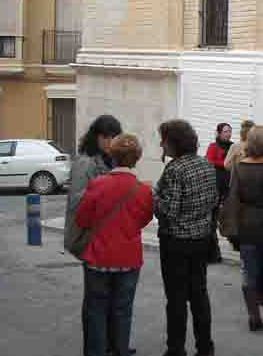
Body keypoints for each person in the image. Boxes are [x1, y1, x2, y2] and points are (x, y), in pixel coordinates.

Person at [75, 134, 153, 356]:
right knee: (122, 310)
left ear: (113, 156)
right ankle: (120, 349)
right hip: (128, 259)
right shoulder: (144, 190)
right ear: (136, 159)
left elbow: (82, 219)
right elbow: (144, 219)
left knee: (95, 310)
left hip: (98, 257)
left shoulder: (98, 184)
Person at [154, 119, 220, 356]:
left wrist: (154, 198)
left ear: (173, 142)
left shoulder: (175, 169)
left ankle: (176, 349)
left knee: (177, 298)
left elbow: (168, 211)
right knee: (199, 294)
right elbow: (213, 202)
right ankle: (205, 347)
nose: (161, 143)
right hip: (201, 239)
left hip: (176, 241)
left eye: (163, 139)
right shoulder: (206, 165)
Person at [65, 115, 125, 356]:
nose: (110, 142)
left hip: (110, 237)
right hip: (92, 237)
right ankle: (95, 349)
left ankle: (113, 344)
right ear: (97, 136)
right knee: (95, 301)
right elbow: (77, 202)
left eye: (113, 137)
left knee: (113, 299)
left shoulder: (111, 159)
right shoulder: (86, 162)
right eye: (106, 137)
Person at [227, 125, 263, 332]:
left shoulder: (239, 166)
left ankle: (253, 315)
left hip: (247, 222)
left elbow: (233, 197)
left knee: (249, 271)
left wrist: (232, 226)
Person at [205, 123, 234, 263]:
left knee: (225, 221)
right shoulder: (213, 146)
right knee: (211, 222)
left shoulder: (233, 147)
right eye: (225, 131)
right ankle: (213, 254)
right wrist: (224, 163)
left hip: (229, 188)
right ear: (218, 133)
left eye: (230, 131)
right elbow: (209, 161)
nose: (228, 134)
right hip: (214, 188)